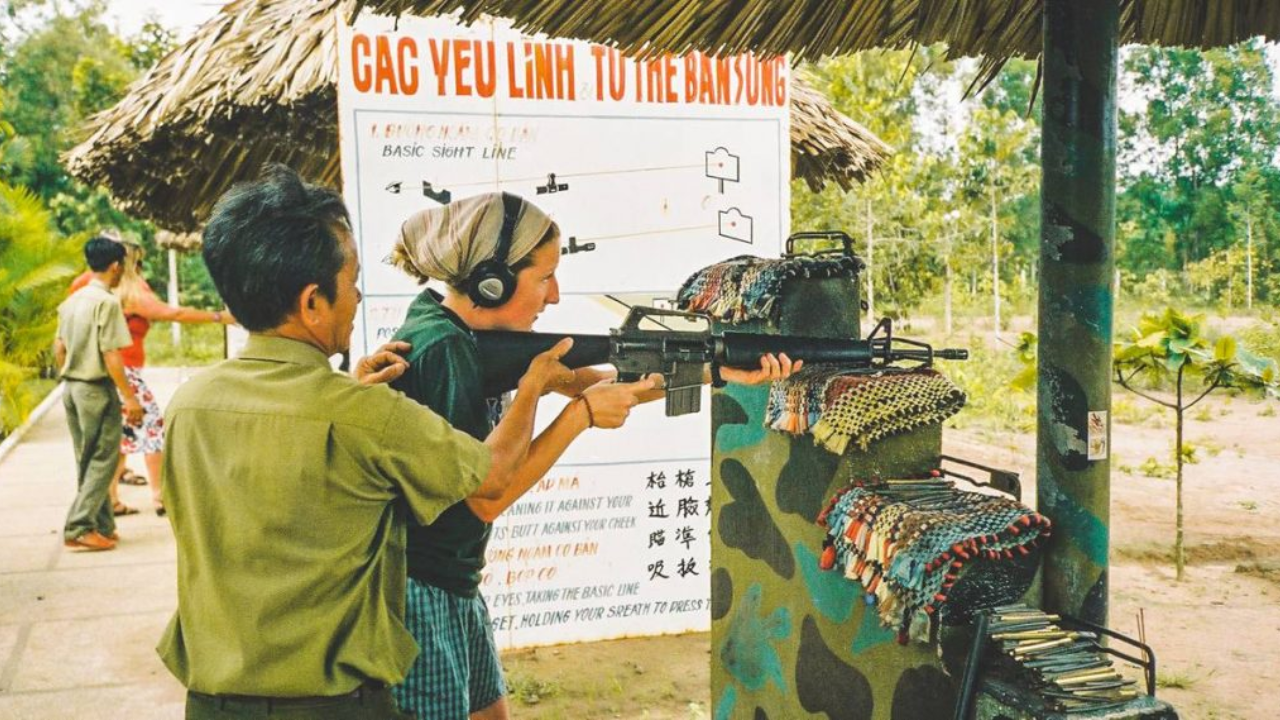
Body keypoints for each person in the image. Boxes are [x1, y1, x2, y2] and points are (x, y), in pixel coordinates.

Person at [159, 165, 574, 720]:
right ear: (312, 303)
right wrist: (539, 389)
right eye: (351, 282)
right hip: (333, 704)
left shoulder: (190, 406)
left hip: (214, 701)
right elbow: (492, 477)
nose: (357, 297)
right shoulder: (364, 414)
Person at [387, 192, 799, 720]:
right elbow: (484, 499)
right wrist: (577, 417)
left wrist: (718, 370)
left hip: (453, 580)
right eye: (544, 278)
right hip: (420, 589)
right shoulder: (444, 349)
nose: (554, 296)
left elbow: (599, 381)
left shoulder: (461, 337)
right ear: (493, 282)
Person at [70, 238, 236, 517]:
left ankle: (111, 499)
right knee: (152, 430)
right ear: (121, 264)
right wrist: (221, 317)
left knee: (116, 438)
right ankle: (159, 496)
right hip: (125, 373)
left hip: (97, 373)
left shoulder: (83, 286)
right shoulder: (129, 292)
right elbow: (174, 313)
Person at [55, 235, 143, 552]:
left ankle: (102, 525)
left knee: (87, 458)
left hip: (72, 389)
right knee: (105, 459)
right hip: (95, 388)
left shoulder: (72, 301)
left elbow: (59, 349)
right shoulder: (106, 303)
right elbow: (111, 354)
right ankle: (78, 526)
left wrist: (71, 377)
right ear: (116, 266)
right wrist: (130, 397)